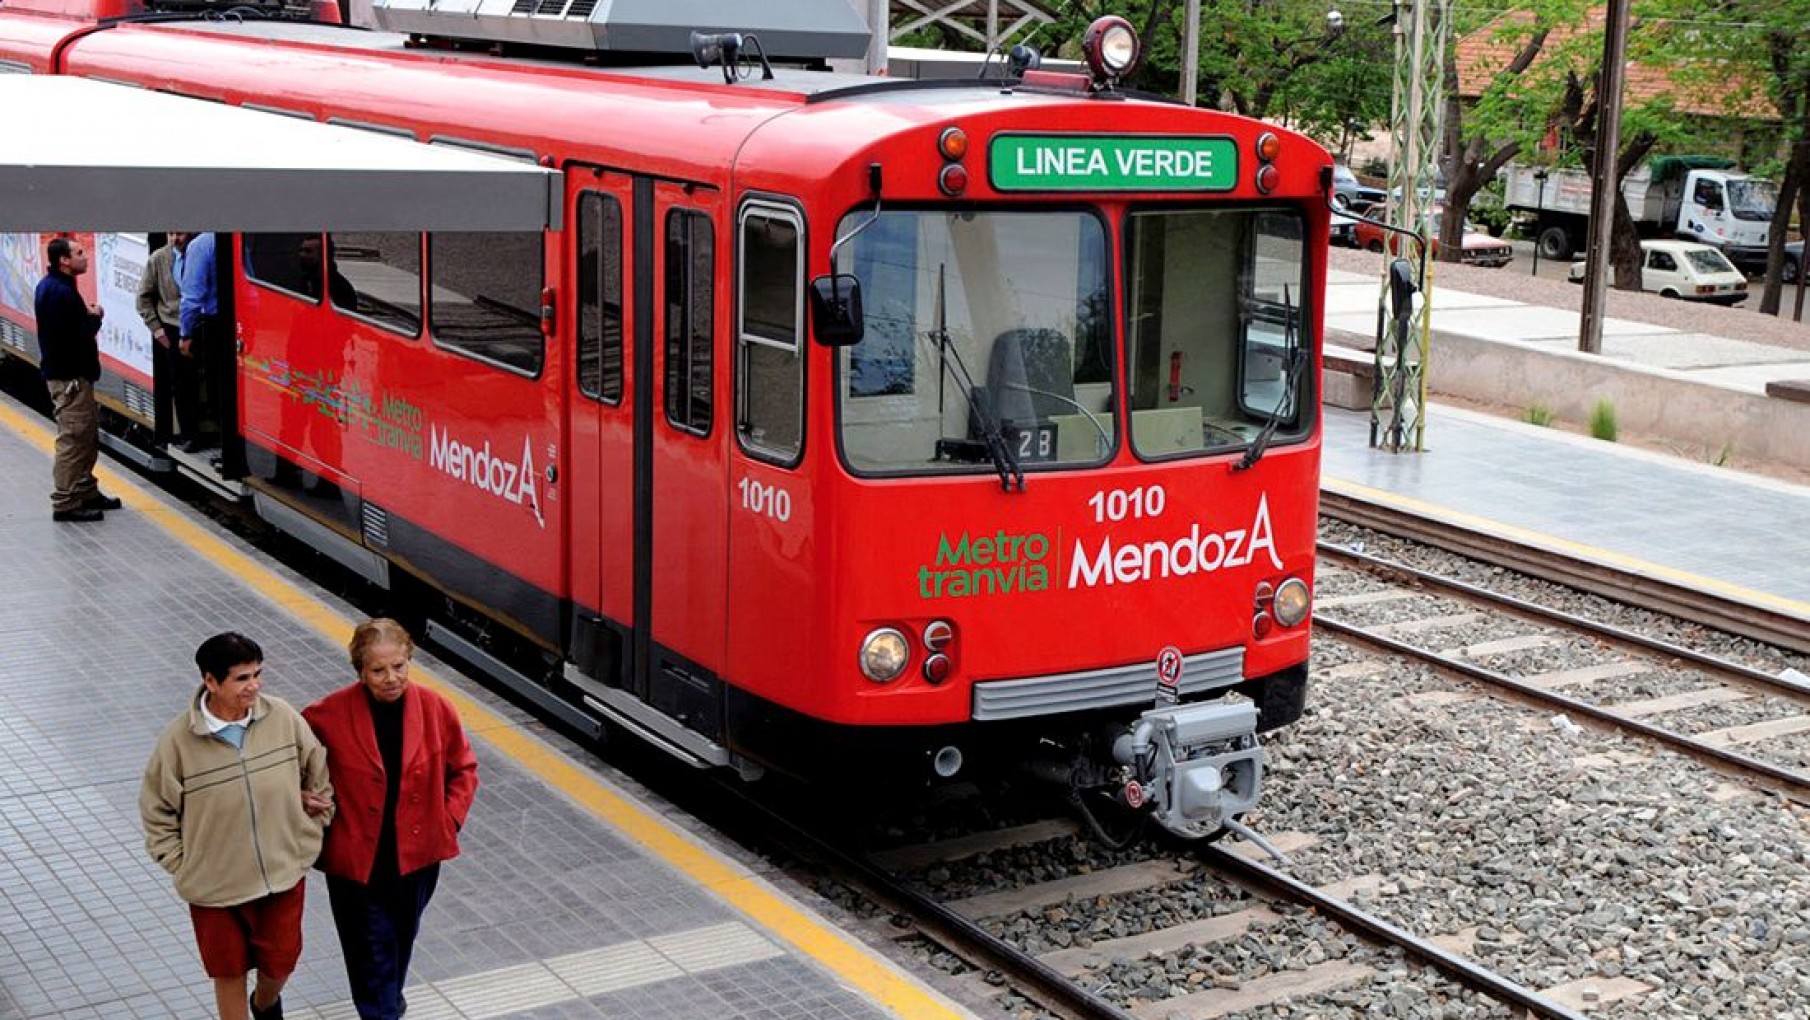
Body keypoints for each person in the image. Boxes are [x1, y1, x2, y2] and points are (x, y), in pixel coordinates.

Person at [140, 632, 334, 1020]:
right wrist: (186, 865)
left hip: (282, 873)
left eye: (258, 674)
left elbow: (317, 775)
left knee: (281, 962)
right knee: (227, 972)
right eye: (242, 678)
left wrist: (308, 831)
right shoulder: (178, 742)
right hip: (215, 887)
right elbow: (156, 811)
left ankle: (265, 1005)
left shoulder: (281, 717)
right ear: (210, 682)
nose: (255, 686)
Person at [304, 619, 478, 1020]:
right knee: (370, 946)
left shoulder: (436, 708)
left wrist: (448, 820)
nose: (391, 678)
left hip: (416, 857)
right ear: (361, 672)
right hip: (356, 858)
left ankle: (387, 1003)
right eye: (378, 670)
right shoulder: (325, 714)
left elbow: (464, 769)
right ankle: (382, 1012)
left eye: (399, 666)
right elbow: (292, 764)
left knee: (400, 938)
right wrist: (303, 797)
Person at [35, 237, 119, 522]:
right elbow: (73, 336)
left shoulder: (57, 287)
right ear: (64, 261)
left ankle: (85, 489)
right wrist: (94, 318)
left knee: (86, 435)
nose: (86, 257)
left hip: (73, 376)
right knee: (73, 439)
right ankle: (66, 501)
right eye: (79, 253)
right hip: (69, 378)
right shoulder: (60, 293)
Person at [136, 232, 198, 449]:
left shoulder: (198, 253)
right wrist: (157, 329)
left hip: (199, 325)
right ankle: (189, 434)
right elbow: (142, 298)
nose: (174, 239)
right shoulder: (158, 258)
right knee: (182, 382)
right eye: (171, 234)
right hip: (172, 326)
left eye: (179, 233)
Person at [178, 231, 222, 452]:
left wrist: (185, 334)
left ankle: (223, 448)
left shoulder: (201, 244)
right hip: (239, 322)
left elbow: (192, 297)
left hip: (212, 324)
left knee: (215, 388)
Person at [297, 235, 358, 310]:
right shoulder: (305, 280)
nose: (302, 255)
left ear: (322, 256)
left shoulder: (339, 287)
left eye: (308, 251)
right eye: (301, 250)